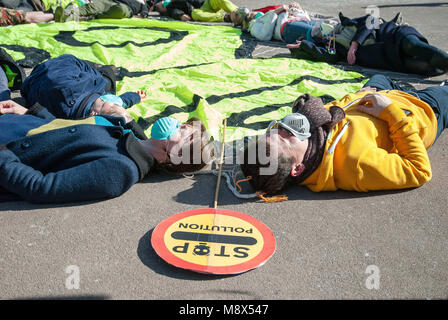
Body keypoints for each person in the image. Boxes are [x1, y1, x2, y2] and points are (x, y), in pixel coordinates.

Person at [0, 67, 214, 203]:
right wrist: (29, 112)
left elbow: (41, 187)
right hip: (17, 120)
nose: (179, 125)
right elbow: (63, 131)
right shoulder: (129, 135)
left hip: (9, 144)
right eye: (185, 125)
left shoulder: (121, 170)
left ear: (172, 158)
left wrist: (3, 156)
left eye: (186, 135)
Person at [240, 74, 448, 195]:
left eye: (275, 130)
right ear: (298, 168)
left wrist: (357, 96)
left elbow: (337, 111)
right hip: (422, 110)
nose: (285, 127)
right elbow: (419, 171)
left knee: (379, 77)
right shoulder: (356, 165)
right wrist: (391, 112)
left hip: (378, 94)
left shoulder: (313, 140)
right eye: (287, 138)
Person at [21, 54, 148, 139]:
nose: (110, 101)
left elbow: (66, 62)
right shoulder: (106, 105)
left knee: (107, 77)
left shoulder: (66, 88)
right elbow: (122, 101)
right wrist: (136, 97)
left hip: (45, 73)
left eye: (105, 104)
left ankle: (103, 70)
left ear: (93, 114)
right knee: (107, 82)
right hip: (64, 77)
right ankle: (102, 70)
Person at [286, 12, 448, 76]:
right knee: (428, 69)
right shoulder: (333, 46)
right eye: (318, 33)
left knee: (412, 46)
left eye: (319, 28)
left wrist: (355, 44)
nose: (321, 31)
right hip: (388, 58)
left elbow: (371, 21)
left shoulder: (348, 23)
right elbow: (328, 57)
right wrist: (303, 46)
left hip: (393, 35)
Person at [54, 0, 151, 22]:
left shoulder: (142, 3)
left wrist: (142, 15)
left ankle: (92, 17)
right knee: (93, 6)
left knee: (120, 10)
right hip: (110, 2)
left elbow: (145, 13)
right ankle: (67, 15)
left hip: (125, 8)